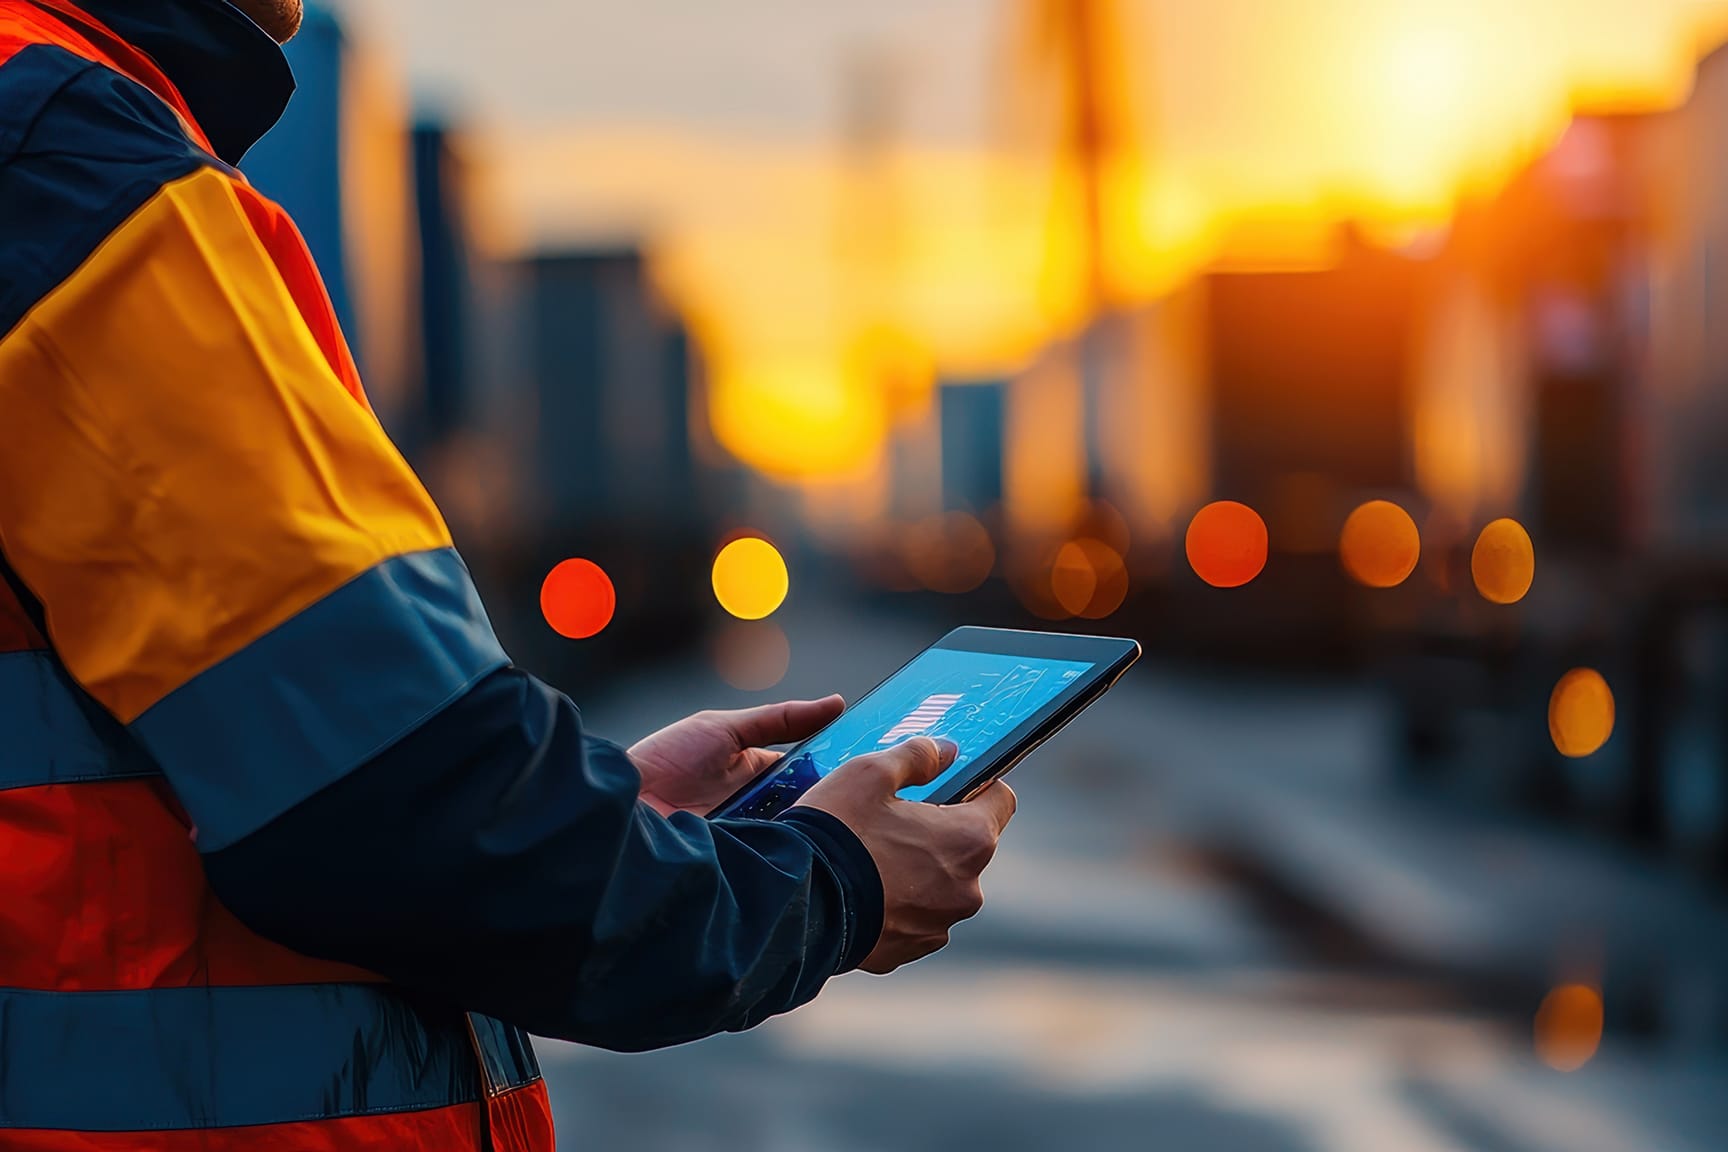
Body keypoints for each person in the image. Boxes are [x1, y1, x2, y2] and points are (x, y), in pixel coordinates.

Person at [0, 1, 1016, 1148]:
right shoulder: (66, 157)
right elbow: (388, 811)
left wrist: (604, 816)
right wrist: (823, 881)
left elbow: (262, 776)